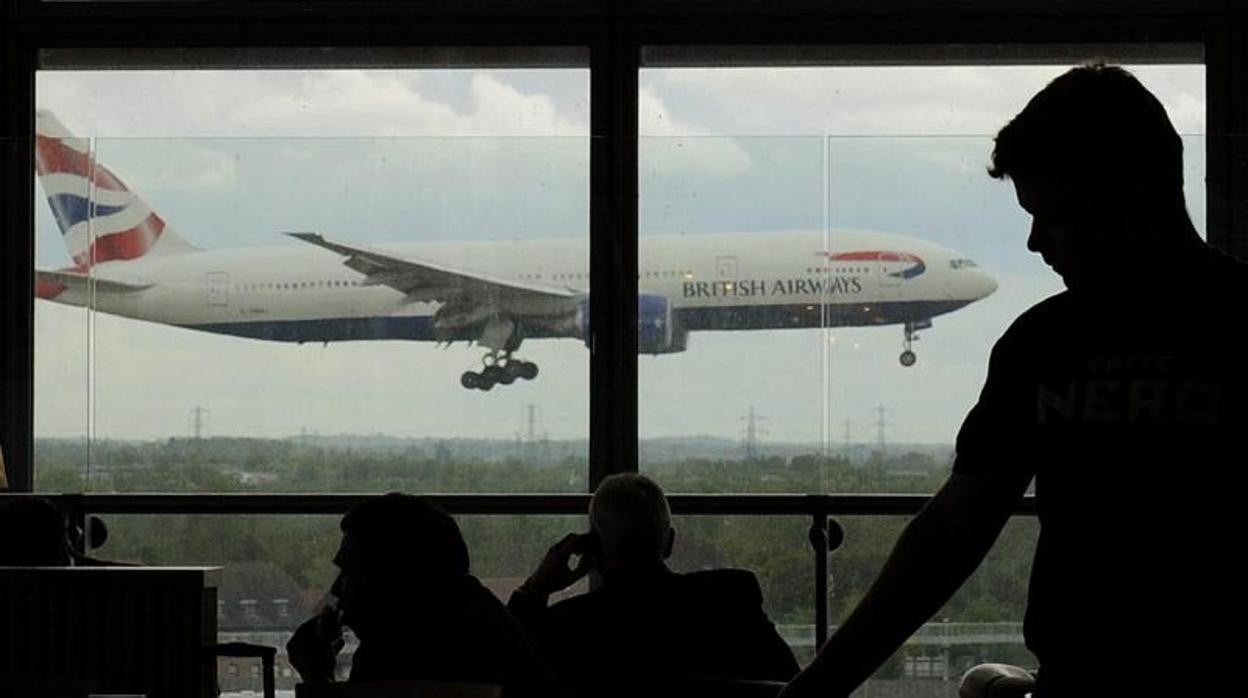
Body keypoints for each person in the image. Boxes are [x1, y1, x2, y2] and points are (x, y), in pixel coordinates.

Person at [780, 63, 1248, 698]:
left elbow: (957, 527)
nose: (1034, 242)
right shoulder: (1235, 322)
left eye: (1051, 213)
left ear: (1124, 196)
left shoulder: (1047, 341)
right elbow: (954, 529)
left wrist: (819, 688)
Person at [508, 473, 799, 696]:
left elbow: (502, 669)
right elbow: (794, 687)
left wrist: (535, 589)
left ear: (593, 549)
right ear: (669, 542)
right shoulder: (730, 601)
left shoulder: (565, 627)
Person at [287, 493, 554, 697]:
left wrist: (317, 678)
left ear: (391, 579)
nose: (338, 593)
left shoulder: (391, 654)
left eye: (349, 574)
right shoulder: (475, 616)